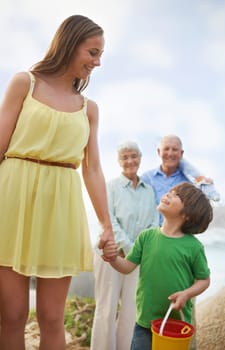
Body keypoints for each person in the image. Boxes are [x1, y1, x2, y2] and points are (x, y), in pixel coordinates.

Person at [0, 15, 114, 350]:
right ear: (70, 43)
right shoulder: (25, 83)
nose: (97, 62)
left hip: (61, 209)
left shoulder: (89, 109)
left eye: (100, 54)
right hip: (12, 202)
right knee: (11, 314)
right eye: (92, 52)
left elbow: (92, 170)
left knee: (52, 317)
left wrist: (106, 223)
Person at [103, 182, 213, 350]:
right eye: (170, 191)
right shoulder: (146, 236)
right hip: (145, 322)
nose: (168, 194)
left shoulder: (194, 247)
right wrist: (113, 259)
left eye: (177, 195)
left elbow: (204, 280)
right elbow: (127, 267)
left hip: (176, 326)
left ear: (188, 215)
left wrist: (186, 294)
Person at [90, 141, 158, 350]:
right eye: (125, 157)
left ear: (140, 158)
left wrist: (138, 253)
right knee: (106, 309)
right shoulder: (110, 187)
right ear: (119, 161)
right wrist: (131, 250)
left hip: (137, 259)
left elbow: (154, 223)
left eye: (133, 156)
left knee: (131, 311)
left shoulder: (149, 190)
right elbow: (109, 221)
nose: (130, 161)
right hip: (110, 255)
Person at [141, 134, 220, 226]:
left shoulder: (189, 184)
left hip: (178, 235)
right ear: (159, 152)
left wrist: (205, 184)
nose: (170, 153)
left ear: (181, 154)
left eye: (174, 149)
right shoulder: (146, 178)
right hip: (151, 235)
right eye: (166, 149)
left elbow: (210, 202)